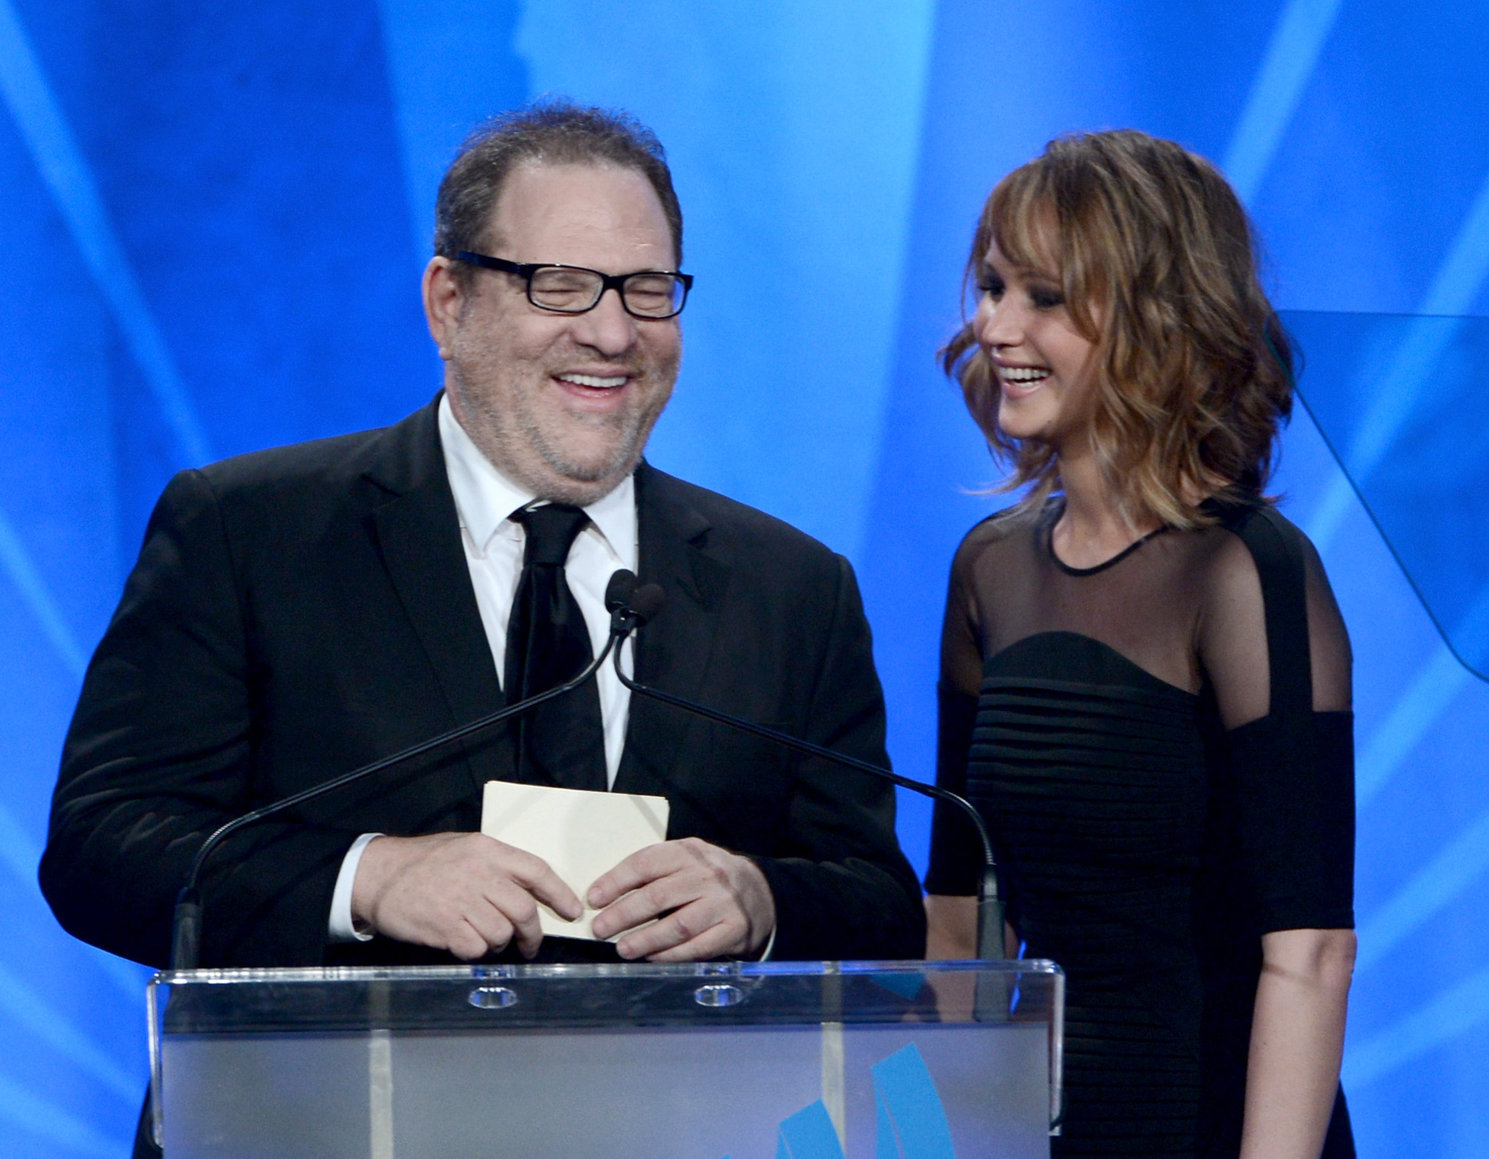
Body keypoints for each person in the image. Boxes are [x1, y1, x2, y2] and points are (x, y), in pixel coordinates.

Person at [40, 102, 924, 980]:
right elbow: (102, 845)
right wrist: (365, 879)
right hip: (346, 1074)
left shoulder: (792, 587)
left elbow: (882, 904)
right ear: (448, 303)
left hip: (670, 1074)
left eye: (647, 289)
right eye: (559, 284)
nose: (612, 332)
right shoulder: (250, 533)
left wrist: (762, 901)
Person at [922, 130, 1356, 1158]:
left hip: (1217, 1125)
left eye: (1044, 296)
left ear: (1157, 318)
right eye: (993, 287)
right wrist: (949, 1133)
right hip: (1042, 1131)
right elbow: (958, 913)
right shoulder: (989, 567)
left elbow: (1309, 954)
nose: (995, 326)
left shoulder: (1246, 571)